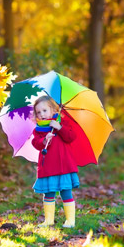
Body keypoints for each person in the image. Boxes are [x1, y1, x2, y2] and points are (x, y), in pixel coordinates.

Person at [31, 96, 79, 228]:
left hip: (64, 165)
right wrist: (44, 141)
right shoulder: (38, 130)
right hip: (48, 166)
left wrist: (59, 127)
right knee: (49, 193)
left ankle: (70, 220)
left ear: (53, 110)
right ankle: (48, 220)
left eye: (44, 110)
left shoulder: (62, 122)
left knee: (66, 191)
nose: (42, 114)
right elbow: (35, 143)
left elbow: (71, 137)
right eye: (38, 112)